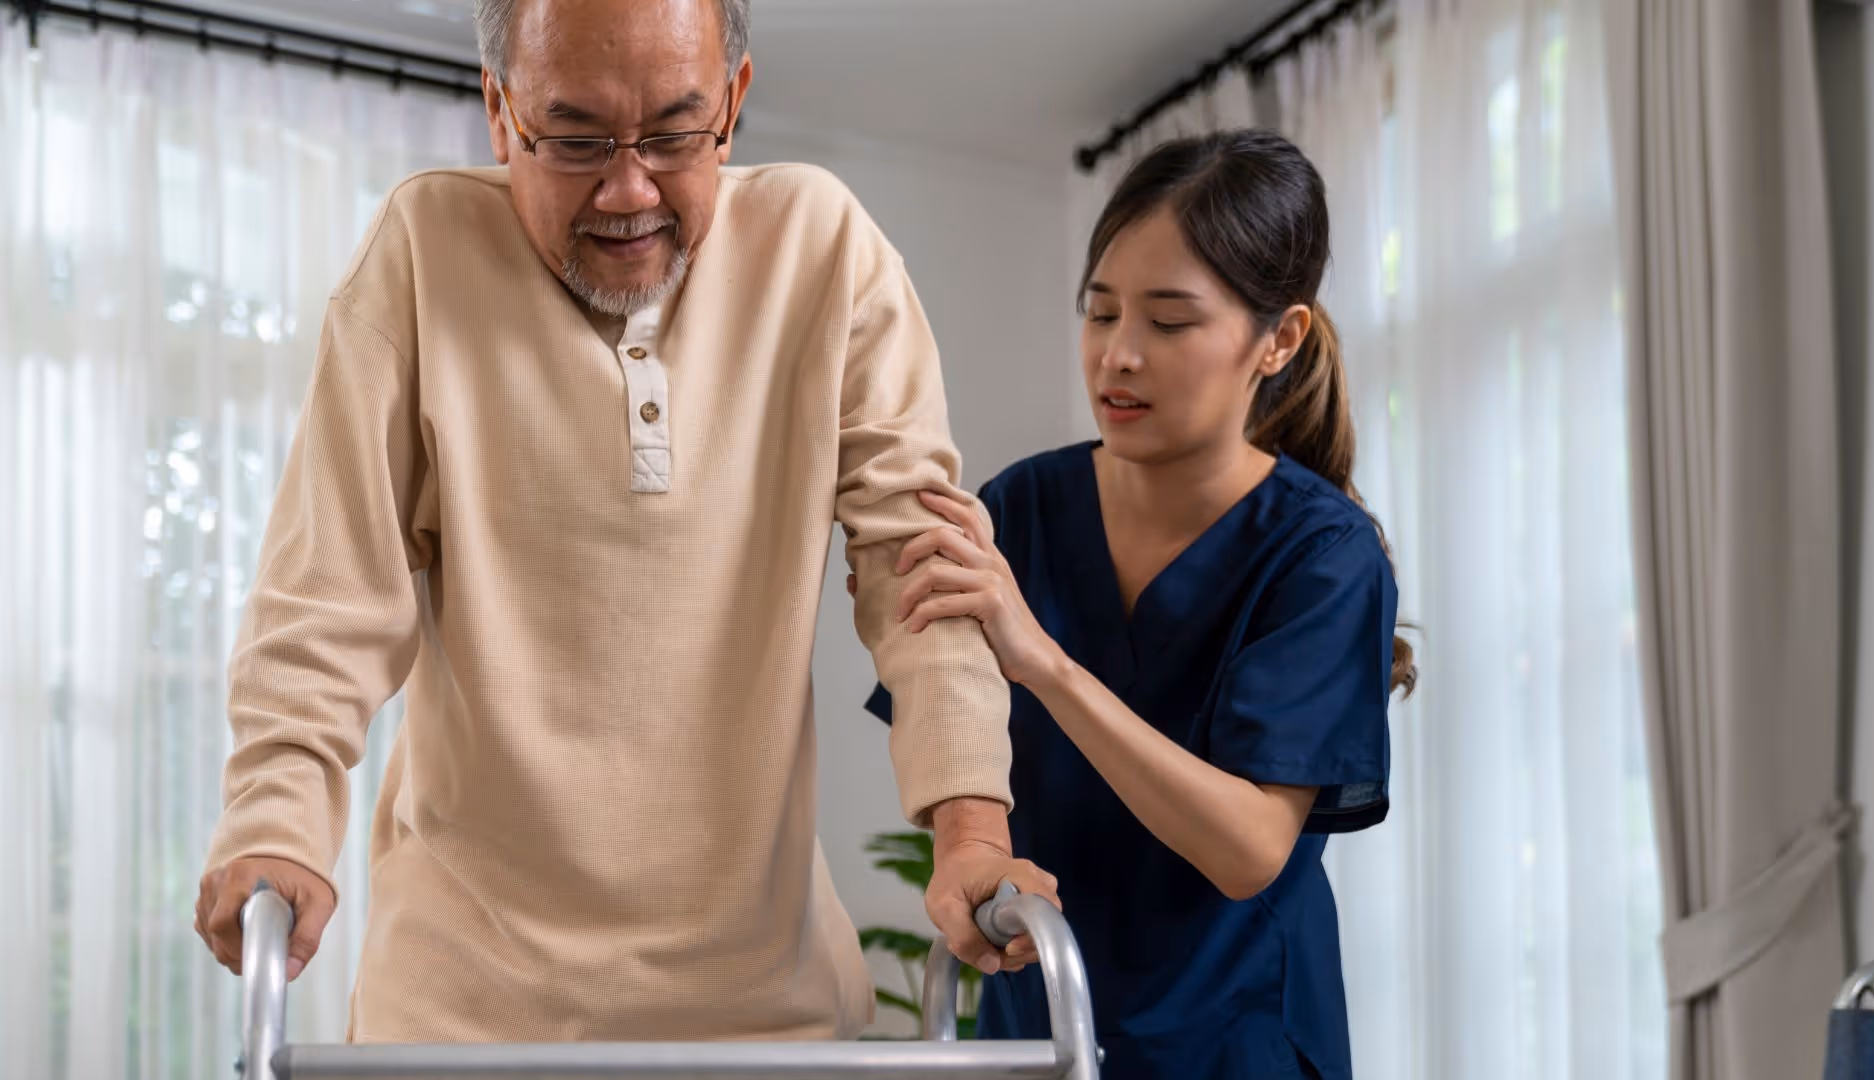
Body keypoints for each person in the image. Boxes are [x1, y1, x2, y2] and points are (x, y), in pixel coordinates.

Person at [191, 0, 1057, 1044]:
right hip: (465, 1019)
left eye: (673, 134)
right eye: (576, 137)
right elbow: (322, 600)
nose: (628, 188)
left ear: (734, 104)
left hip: (768, 1015)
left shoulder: (823, 249)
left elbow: (922, 570)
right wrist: (278, 826)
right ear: (500, 113)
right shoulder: (422, 252)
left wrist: (970, 824)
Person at [863, 130, 1414, 1079]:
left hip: (1235, 1046)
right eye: (1100, 312)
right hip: (1038, 1032)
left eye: (1169, 322)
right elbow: (942, 714)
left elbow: (1249, 849)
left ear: (1277, 339)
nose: (1119, 356)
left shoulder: (1322, 555)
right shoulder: (1020, 511)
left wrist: (1042, 660)